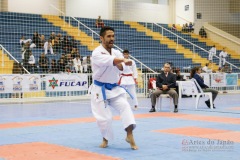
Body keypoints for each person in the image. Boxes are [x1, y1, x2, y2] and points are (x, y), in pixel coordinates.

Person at [90, 26, 138, 150]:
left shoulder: (116, 52)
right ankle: (105, 139)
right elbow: (109, 61)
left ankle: (129, 135)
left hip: (115, 88)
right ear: (101, 38)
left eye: (113, 36)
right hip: (100, 89)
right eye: (109, 36)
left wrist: (121, 64)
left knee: (125, 106)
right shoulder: (96, 53)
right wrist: (121, 60)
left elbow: (123, 68)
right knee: (105, 118)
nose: (112, 38)